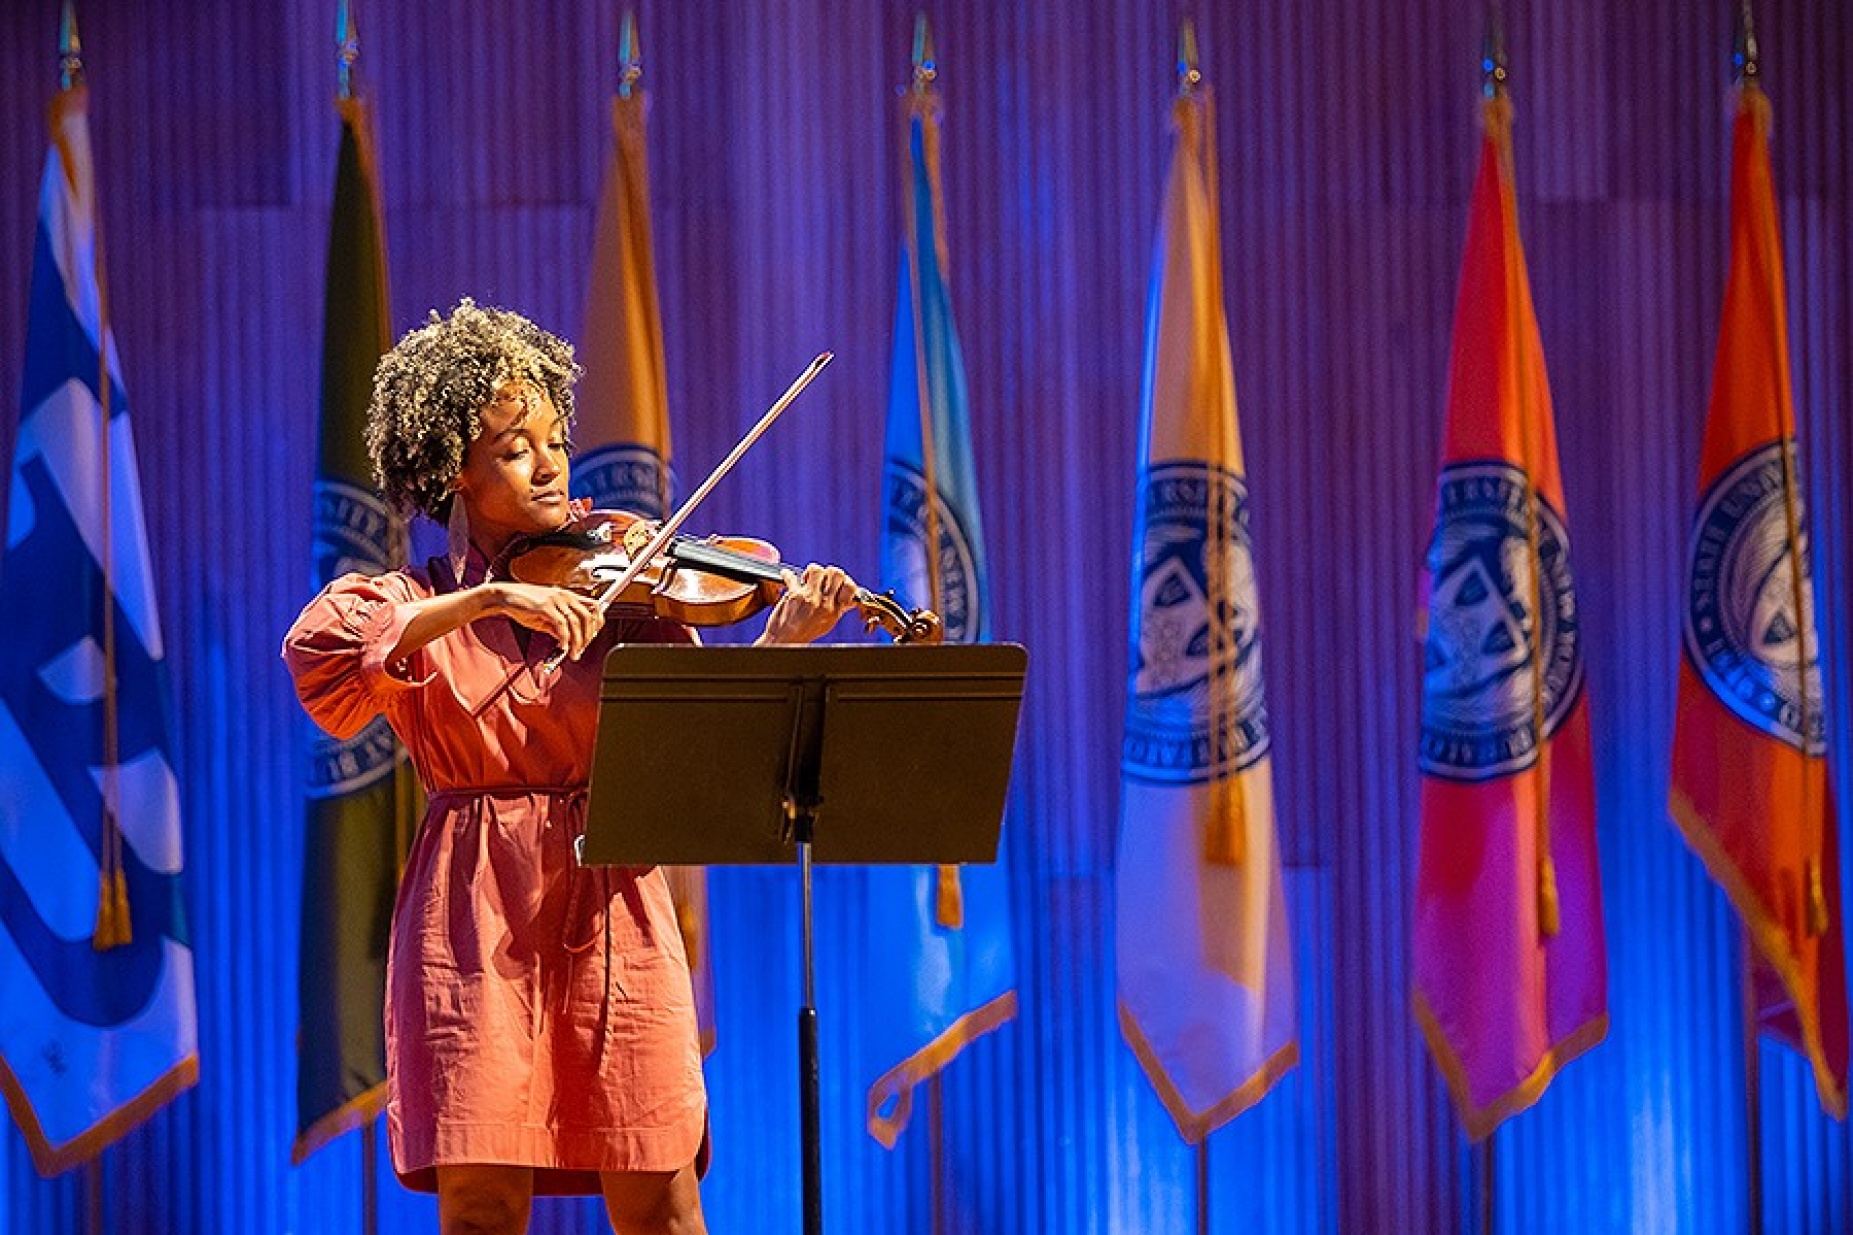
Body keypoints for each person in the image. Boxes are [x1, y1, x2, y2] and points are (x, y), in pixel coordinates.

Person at [283, 300, 857, 1235]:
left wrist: (780, 640)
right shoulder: (418, 599)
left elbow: (701, 750)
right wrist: (489, 596)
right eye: (515, 446)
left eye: (554, 437)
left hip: (611, 898)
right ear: (453, 470)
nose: (550, 463)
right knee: (479, 1203)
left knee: (662, 1198)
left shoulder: (621, 585)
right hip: (471, 914)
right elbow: (321, 651)